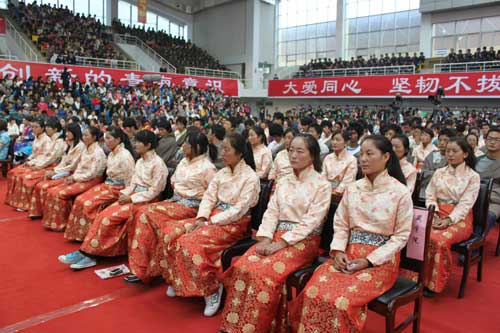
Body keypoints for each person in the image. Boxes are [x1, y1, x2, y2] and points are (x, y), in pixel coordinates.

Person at [290, 135, 413, 332]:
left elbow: (401, 236)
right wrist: (338, 251)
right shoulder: (353, 188)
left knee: (340, 301)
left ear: (386, 157)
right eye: (361, 154)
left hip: (380, 262)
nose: (363, 159)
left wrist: (369, 261)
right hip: (348, 254)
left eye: (369, 154)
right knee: (313, 292)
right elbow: (341, 224)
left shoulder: (400, 192)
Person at [219, 134, 331, 333]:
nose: (293, 155)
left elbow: (311, 221)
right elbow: (272, 211)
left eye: (300, 151)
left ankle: (258, 327)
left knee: (264, 273)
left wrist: (281, 243)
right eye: (290, 150)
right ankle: (235, 324)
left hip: (304, 241)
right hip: (276, 237)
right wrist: (266, 237)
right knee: (244, 266)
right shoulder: (284, 181)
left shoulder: (322, 184)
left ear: (312, 155)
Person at [161, 133, 260, 317]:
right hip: (211, 217)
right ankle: (177, 278)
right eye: (222, 149)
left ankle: (212, 289)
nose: (222, 153)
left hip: (235, 224)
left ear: (240, 153)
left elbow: (239, 210)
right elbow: (208, 197)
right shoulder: (221, 173)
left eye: (227, 150)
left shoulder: (250, 178)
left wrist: (210, 221)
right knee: (170, 232)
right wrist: (201, 218)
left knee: (190, 242)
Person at [58, 130, 168, 269]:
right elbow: (132, 183)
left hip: (146, 200)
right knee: (103, 215)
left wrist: (131, 197)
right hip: (132, 196)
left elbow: (154, 190)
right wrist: (125, 193)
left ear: (148, 145)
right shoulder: (140, 161)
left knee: (108, 218)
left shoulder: (158, 164)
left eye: (138, 142)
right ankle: (86, 251)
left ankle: (91, 254)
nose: (135, 144)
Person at [126, 131, 218, 283]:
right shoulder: (183, 161)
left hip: (191, 206)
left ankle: (146, 268)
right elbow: (174, 179)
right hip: (176, 200)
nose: (184, 146)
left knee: (145, 213)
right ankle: (143, 265)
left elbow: (212, 195)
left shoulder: (208, 168)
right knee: (141, 212)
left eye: (187, 143)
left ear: (197, 147)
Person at [424, 138, 480, 296]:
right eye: (447, 151)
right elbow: (430, 195)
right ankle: (417, 278)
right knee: (418, 232)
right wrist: (433, 213)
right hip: (437, 213)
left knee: (438, 239)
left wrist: (449, 220)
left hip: (460, 218)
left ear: (465, 154)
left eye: (454, 151)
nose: (449, 154)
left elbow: (466, 204)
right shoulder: (439, 172)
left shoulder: (473, 176)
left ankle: (434, 283)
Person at [63, 126, 136, 241]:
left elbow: (130, 179)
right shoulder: (112, 154)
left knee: (88, 203)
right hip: (107, 185)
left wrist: (126, 194)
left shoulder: (125, 155)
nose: (105, 141)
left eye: (108, 138)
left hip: (118, 188)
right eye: (105, 138)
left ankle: (89, 236)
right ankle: (79, 234)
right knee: (80, 199)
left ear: (117, 140)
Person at [41, 126, 107, 231]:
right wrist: (73, 176)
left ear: (94, 137)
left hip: (91, 180)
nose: (84, 138)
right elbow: (79, 166)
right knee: (52, 191)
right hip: (79, 177)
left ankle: (61, 223)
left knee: (60, 193)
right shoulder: (86, 149)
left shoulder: (98, 152)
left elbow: (92, 173)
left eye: (86, 135)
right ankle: (56, 222)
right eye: (83, 135)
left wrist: (75, 178)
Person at [9, 117, 67, 212]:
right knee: (14, 172)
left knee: (26, 177)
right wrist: (30, 161)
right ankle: (15, 200)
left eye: (49, 127)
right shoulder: (50, 139)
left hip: (51, 166)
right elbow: (36, 154)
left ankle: (25, 204)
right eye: (47, 126)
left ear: (55, 129)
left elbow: (50, 158)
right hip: (43, 163)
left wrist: (37, 166)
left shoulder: (57, 142)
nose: (47, 128)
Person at [28, 123, 85, 218]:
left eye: (68, 132)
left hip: (72, 173)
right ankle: (41, 213)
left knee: (50, 190)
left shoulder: (80, 146)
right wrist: (56, 170)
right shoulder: (71, 144)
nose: (66, 134)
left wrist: (56, 171)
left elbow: (72, 165)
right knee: (40, 185)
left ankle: (56, 218)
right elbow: (64, 161)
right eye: (66, 131)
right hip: (64, 170)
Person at [5, 118, 52, 210]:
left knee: (23, 176)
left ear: (42, 128)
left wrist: (32, 163)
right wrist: (29, 160)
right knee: (12, 172)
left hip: (42, 164)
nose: (33, 129)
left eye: (36, 127)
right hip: (33, 162)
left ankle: (25, 204)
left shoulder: (46, 140)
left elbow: (45, 157)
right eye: (32, 127)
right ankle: (13, 200)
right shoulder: (36, 138)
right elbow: (34, 153)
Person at [475, 127, 500, 235]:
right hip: (473, 195)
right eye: (490, 139)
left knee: (487, 216)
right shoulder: (477, 160)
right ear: (485, 140)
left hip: (494, 200)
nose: (492, 142)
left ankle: (474, 244)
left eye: (497, 140)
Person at [322, 130, 358, 200]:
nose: (334, 142)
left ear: (346, 142)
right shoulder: (328, 157)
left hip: (342, 196)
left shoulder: (351, 159)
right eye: (333, 139)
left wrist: (335, 192)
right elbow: (323, 176)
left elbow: (347, 182)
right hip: (325, 192)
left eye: (338, 140)